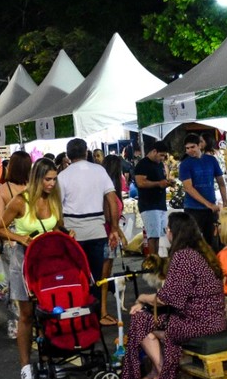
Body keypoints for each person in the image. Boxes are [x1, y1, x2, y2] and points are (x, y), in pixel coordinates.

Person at [121, 211, 226, 379]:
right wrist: (148, 305)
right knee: (147, 317)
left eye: (167, 229)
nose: (166, 233)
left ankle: (162, 372)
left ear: (173, 232)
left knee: (140, 320)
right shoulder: (203, 252)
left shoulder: (183, 257)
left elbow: (167, 299)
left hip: (197, 323)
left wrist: (142, 299)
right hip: (214, 319)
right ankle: (156, 369)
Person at [0, 158, 62, 379]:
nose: (52, 183)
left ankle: (46, 360)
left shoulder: (54, 198)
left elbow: (57, 224)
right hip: (24, 262)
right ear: (37, 178)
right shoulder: (20, 201)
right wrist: (20, 238)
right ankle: (25, 365)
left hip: (48, 262)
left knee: (48, 313)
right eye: (48, 179)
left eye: (54, 178)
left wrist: (65, 232)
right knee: (27, 315)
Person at [58, 138, 119, 298]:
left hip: (73, 233)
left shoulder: (63, 176)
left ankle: (80, 311)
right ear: (86, 152)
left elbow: (57, 209)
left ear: (68, 155)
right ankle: (96, 313)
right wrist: (114, 228)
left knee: (76, 276)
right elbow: (112, 201)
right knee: (97, 277)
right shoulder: (99, 171)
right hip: (97, 231)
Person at [0, 150, 31, 339]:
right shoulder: (34, 187)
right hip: (32, 241)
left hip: (11, 242)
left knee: (14, 286)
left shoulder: (4, 189)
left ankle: (16, 327)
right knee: (32, 283)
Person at [179, 133, 227, 249]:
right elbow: (188, 187)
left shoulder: (211, 160)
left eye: (192, 147)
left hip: (211, 210)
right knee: (192, 242)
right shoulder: (185, 164)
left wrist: (225, 202)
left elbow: (221, 182)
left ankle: (212, 265)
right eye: (187, 148)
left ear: (200, 145)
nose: (190, 150)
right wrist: (208, 204)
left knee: (213, 241)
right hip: (193, 208)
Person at [99, 154, 128, 326]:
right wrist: (120, 233)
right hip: (108, 236)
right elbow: (110, 216)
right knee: (104, 276)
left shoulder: (105, 189)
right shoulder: (108, 192)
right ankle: (102, 311)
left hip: (107, 235)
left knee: (105, 275)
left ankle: (102, 310)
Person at [134, 141, 173, 256]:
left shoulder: (160, 164)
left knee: (161, 235)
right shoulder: (142, 164)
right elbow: (140, 183)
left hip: (160, 204)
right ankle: (153, 262)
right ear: (154, 151)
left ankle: (160, 260)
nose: (162, 158)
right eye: (161, 155)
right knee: (153, 236)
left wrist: (167, 182)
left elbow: (160, 180)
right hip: (149, 205)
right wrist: (158, 184)